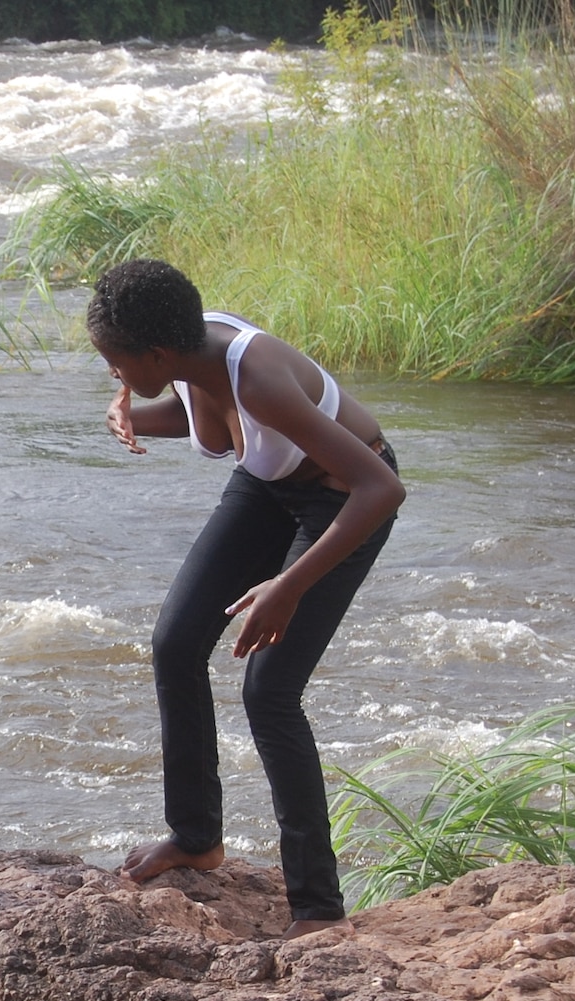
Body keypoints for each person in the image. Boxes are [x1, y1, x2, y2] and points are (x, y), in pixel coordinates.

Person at [88, 259, 405, 940]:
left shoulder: (255, 375)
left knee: (269, 692)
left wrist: (287, 588)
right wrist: (136, 413)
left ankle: (318, 909)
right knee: (176, 643)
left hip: (344, 501)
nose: (113, 374)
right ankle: (196, 835)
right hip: (268, 488)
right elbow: (205, 416)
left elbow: (380, 488)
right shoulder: (186, 349)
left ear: (158, 353)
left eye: (116, 365)